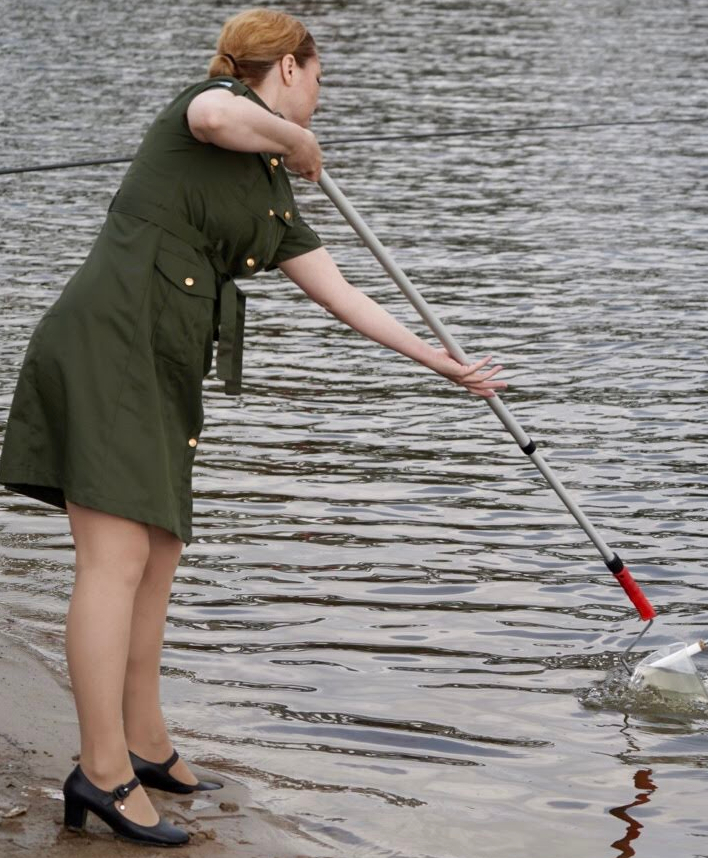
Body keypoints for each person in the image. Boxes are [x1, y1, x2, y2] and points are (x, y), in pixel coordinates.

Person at [0, 8, 505, 847]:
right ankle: (100, 771)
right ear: (290, 67)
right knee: (114, 559)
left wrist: (439, 362)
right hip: (108, 345)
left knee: (159, 551)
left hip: (163, 360)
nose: (320, 100)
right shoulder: (212, 110)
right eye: (319, 79)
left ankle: (144, 742)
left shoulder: (271, 190)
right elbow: (214, 113)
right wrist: (296, 139)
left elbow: (343, 294)